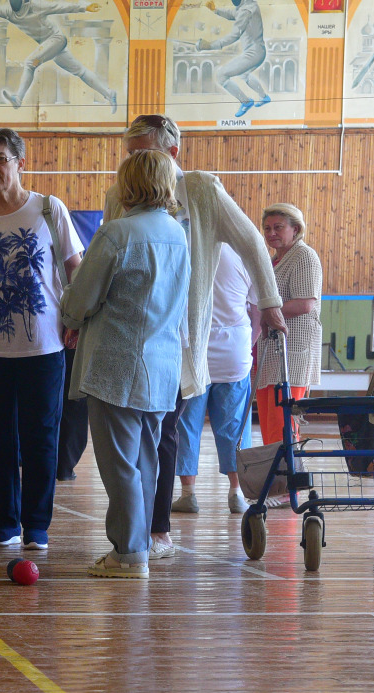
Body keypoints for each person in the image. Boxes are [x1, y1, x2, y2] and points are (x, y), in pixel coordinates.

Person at [106, 114, 284, 558]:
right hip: (131, 333)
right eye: (130, 155)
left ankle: (158, 530)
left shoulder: (201, 189)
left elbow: (252, 243)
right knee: (132, 437)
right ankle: (134, 529)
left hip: (184, 338)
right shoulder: (118, 196)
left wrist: (269, 301)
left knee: (165, 431)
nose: (136, 163)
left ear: (173, 153)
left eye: (144, 152)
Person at [60, 150, 191, 579]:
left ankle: (129, 553)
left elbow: (81, 299)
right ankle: (142, 545)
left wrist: (70, 316)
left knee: (119, 463)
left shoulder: (117, 234)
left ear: (128, 184)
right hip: (163, 363)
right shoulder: (177, 232)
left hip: (117, 363)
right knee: (146, 461)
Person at [0, 129, 82, 551]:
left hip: (44, 348)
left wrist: (77, 318)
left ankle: (37, 524)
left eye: (0, 159)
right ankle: (5, 523)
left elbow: (74, 268)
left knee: (42, 436)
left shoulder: (48, 209)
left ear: (19, 162)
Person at [173, 244, 259, 515]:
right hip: (233, 351)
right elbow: (258, 312)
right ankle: (237, 492)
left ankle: (188, 493)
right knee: (235, 427)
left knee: (187, 424)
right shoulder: (244, 253)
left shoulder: (186, 248)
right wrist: (247, 345)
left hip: (193, 348)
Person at [255, 202, 322, 447]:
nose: (271, 233)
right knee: (270, 426)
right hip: (271, 354)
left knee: (283, 425)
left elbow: (306, 304)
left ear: (295, 229)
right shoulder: (273, 260)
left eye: (278, 227)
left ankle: (287, 483)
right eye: (267, 228)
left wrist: (266, 311)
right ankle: (277, 481)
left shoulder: (303, 255)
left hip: (292, 355)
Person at [200, 0, 271, 118]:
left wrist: (210, 46)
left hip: (253, 53)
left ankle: (246, 102)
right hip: (259, 51)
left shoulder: (246, 11)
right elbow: (233, 13)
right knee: (245, 75)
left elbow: (234, 35)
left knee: (221, 75)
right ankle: (264, 97)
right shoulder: (248, 5)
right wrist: (216, 10)